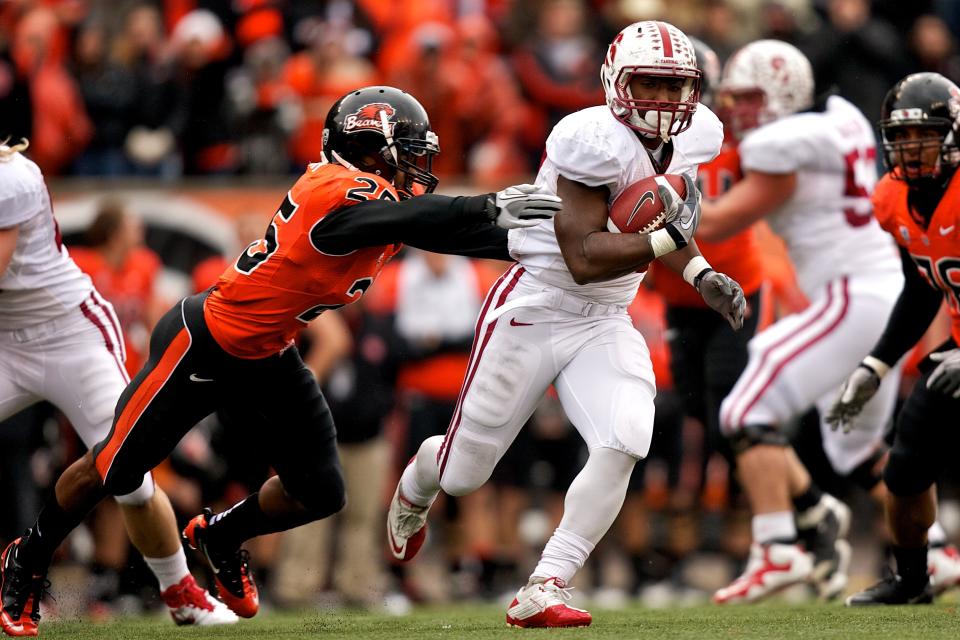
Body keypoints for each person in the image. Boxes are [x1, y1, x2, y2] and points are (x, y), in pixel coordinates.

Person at [0, 86, 562, 637]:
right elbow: (409, 222)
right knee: (116, 468)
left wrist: (554, 246)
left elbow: (440, 231)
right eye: (411, 151)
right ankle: (25, 560)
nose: (419, 165)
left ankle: (218, 536)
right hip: (206, 340)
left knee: (320, 491)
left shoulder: (383, 205)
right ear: (373, 146)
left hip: (269, 352)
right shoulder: (340, 190)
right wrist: (484, 205)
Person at [387, 21, 746, 628]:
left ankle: (547, 581)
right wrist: (672, 237)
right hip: (536, 304)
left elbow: (658, 233)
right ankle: (420, 481)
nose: (662, 100)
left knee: (626, 436)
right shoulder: (589, 139)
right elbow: (583, 257)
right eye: (649, 84)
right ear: (616, 83)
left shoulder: (699, 135)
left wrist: (700, 273)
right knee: (466, 474)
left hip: (606, 316)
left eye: (673, 86)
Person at [694, 40, 905, 604]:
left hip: (850, 294)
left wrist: (659, 198)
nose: (736, 109)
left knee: (743, 410)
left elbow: (716, 223)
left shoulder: (779, 141)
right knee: (855, 448)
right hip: (882, 291)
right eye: (732, 98)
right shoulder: (843, 117)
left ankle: (777, 549)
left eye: (747, 97)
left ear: (783, 93)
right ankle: (930, 550)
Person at [0, 138, 237, 638]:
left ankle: (179, 590)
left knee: (128, 474)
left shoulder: (12, 177)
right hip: (5, 340)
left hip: (70, 336)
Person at [828, 72, 960, 605]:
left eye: (924, 135)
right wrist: (876, 365)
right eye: (901, 137)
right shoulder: (892, 198)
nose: (911, 148)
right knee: (905, 469)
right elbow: (921, 286)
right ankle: (912, 579)